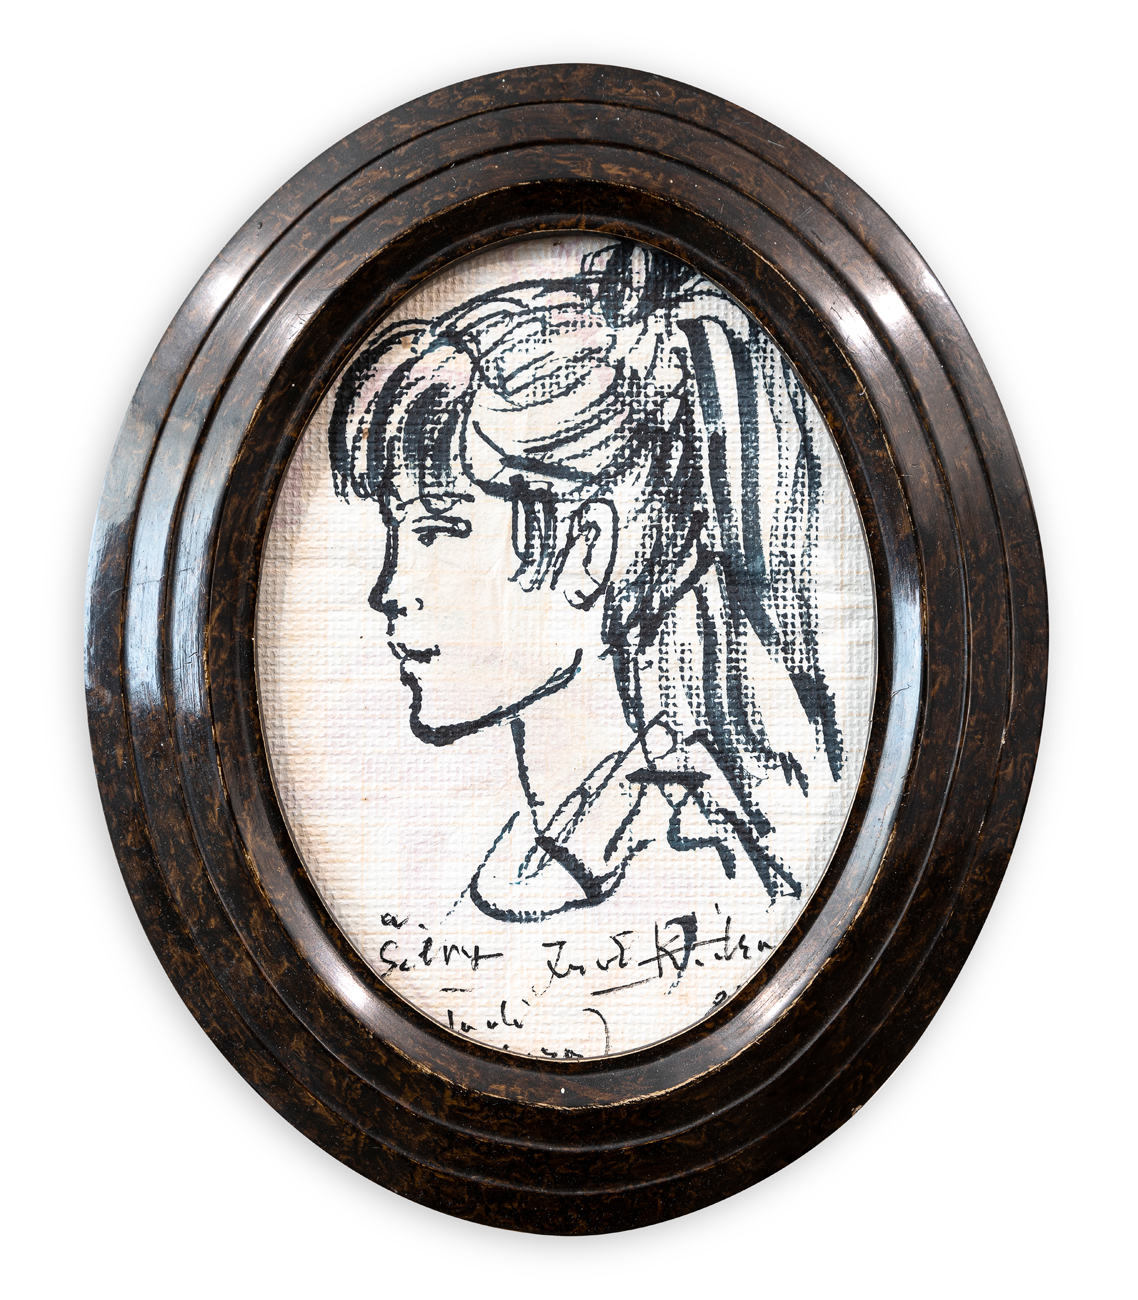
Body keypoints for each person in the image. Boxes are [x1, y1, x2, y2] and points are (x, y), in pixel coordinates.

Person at [327, 239, 845, 926]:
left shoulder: (691, 864)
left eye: (437, 531)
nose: (388, 590)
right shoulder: (538, 844)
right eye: (397, 531)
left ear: (586, 550)